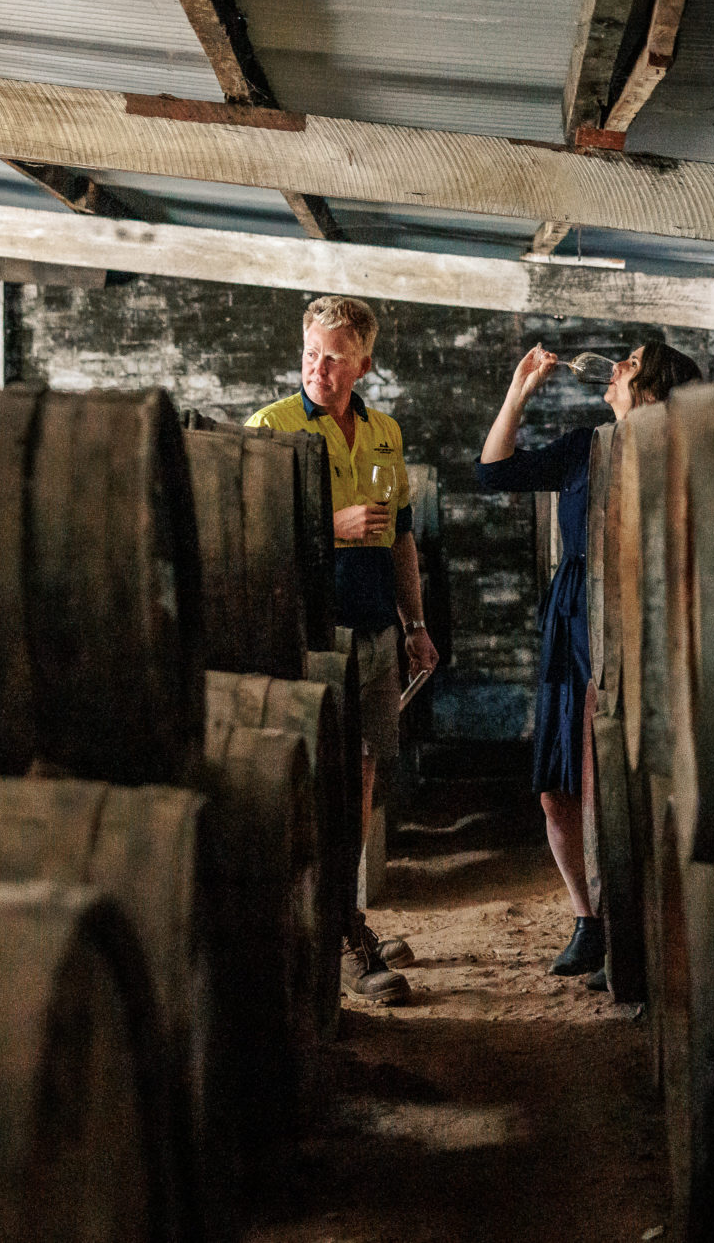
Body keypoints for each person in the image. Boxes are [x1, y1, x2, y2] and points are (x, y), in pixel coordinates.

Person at [476, 339, 704, 982]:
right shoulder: (585, 447)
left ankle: (632, 927)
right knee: (557, 789)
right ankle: (588, 921)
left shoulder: (677, 454)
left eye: (630, 365)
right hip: (575, 615)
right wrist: (519, 391)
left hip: (639, 624)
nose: (615, 369)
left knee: (618, 785)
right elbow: (494, 472)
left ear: (654, 391)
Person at [248, 296, 441, 1007]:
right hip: (309, 633)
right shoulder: (271, 428)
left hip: (373, 627)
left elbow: (401, 539)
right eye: (309, 353)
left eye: (333, 356)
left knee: (361, 776)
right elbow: (258, 538)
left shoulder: (385, 432)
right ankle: (332, 929)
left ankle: (343, 913)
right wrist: (336, 523)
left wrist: (414, 621)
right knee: (313, 779)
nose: (317, 368)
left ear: (363, 362)